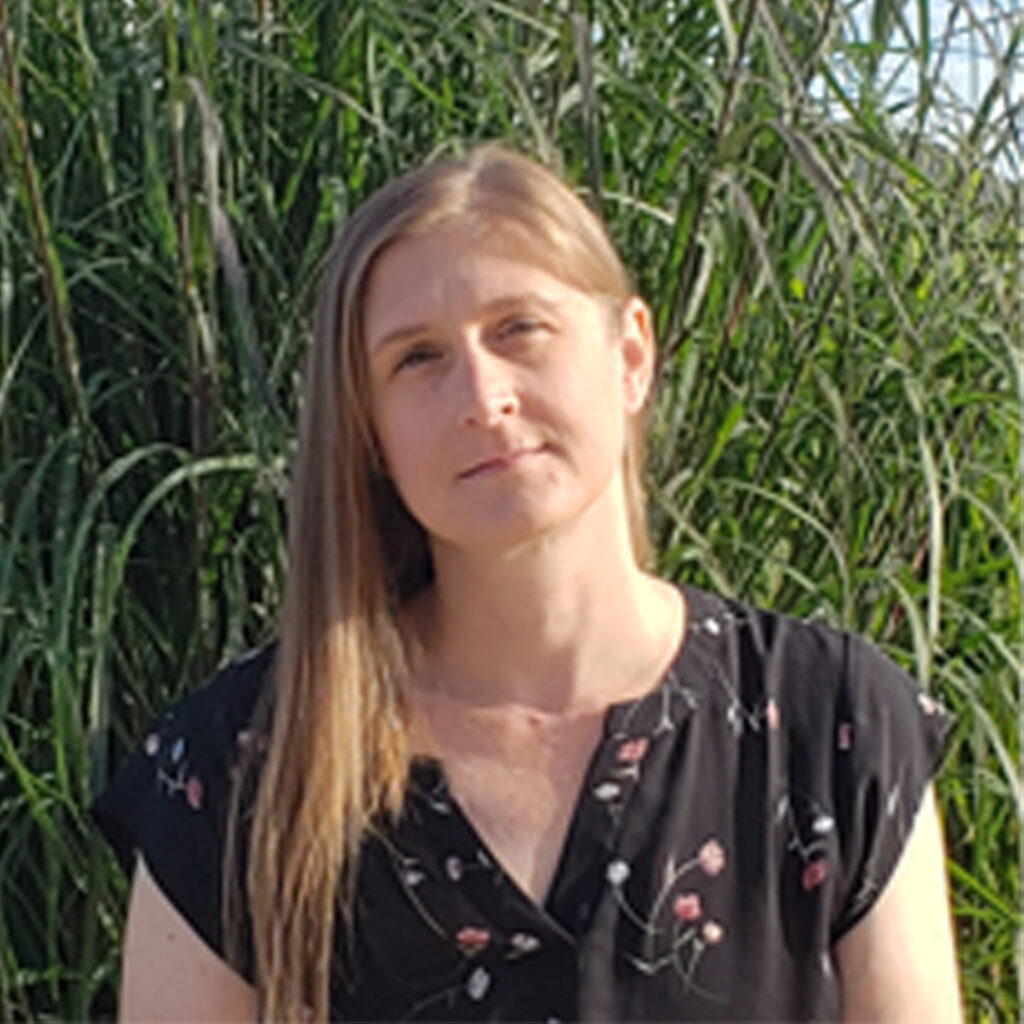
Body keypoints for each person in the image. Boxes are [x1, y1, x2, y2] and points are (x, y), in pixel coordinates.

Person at [93, 143, 963, 1022]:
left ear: (630, 356)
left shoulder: (833, 725)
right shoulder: (241, 764)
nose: (483, 395)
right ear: (369, 433)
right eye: (418, 359)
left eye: (519, 329)